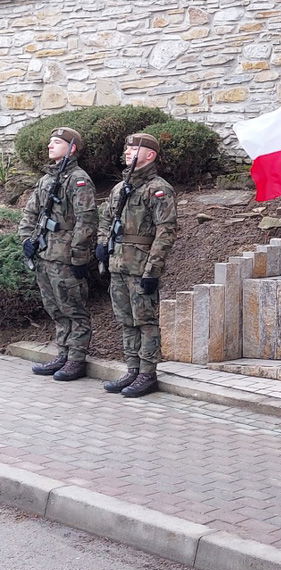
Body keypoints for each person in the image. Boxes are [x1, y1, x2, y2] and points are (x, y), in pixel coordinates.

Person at [96, 133, 177, 398]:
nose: (128, 151)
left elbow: (165, 232)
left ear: (150, 155)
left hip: (141, 265)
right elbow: (106, 220)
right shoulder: (121, 188)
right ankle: (132, 369)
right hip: (118, 263)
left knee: (145, 321)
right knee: (126, 320)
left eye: (134, 148)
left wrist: (153, 270)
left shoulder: (158, 188)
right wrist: (101, 245)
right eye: (127, 147)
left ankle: (147, 373)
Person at [19, 127, 97, 381]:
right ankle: (63, 353)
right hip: (44, 252)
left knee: (73, 307)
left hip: (64, 255)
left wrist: (78, 255)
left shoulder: (78, 179)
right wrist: (27, 241)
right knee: (54, 307)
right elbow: (31, 213)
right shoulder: (46, 180)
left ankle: (76, 359)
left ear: (72, 148)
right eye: (50, 142)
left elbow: (87, 221)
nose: (50, 146)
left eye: (56, 142)